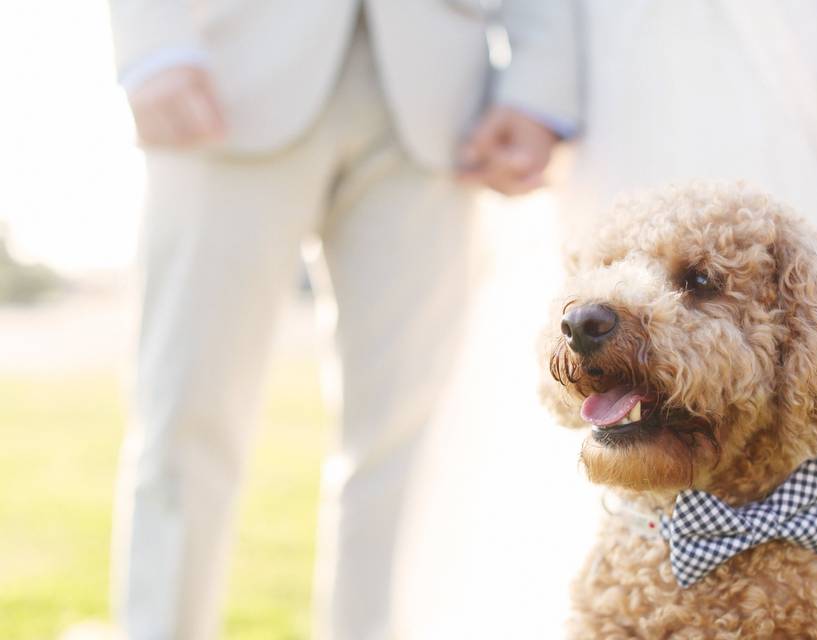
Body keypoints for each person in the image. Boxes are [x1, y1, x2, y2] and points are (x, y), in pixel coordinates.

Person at [393, 0, 817, 637]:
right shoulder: (611, 586)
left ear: (800, 341)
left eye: (698, 283)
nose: (591, 315)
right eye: (604, 275)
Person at [106, 1, 579, 638]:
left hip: (437, 104)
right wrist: (152, 46)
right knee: (187, 412)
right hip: (223, 75)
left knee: (405, 440)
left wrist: (535, 88)